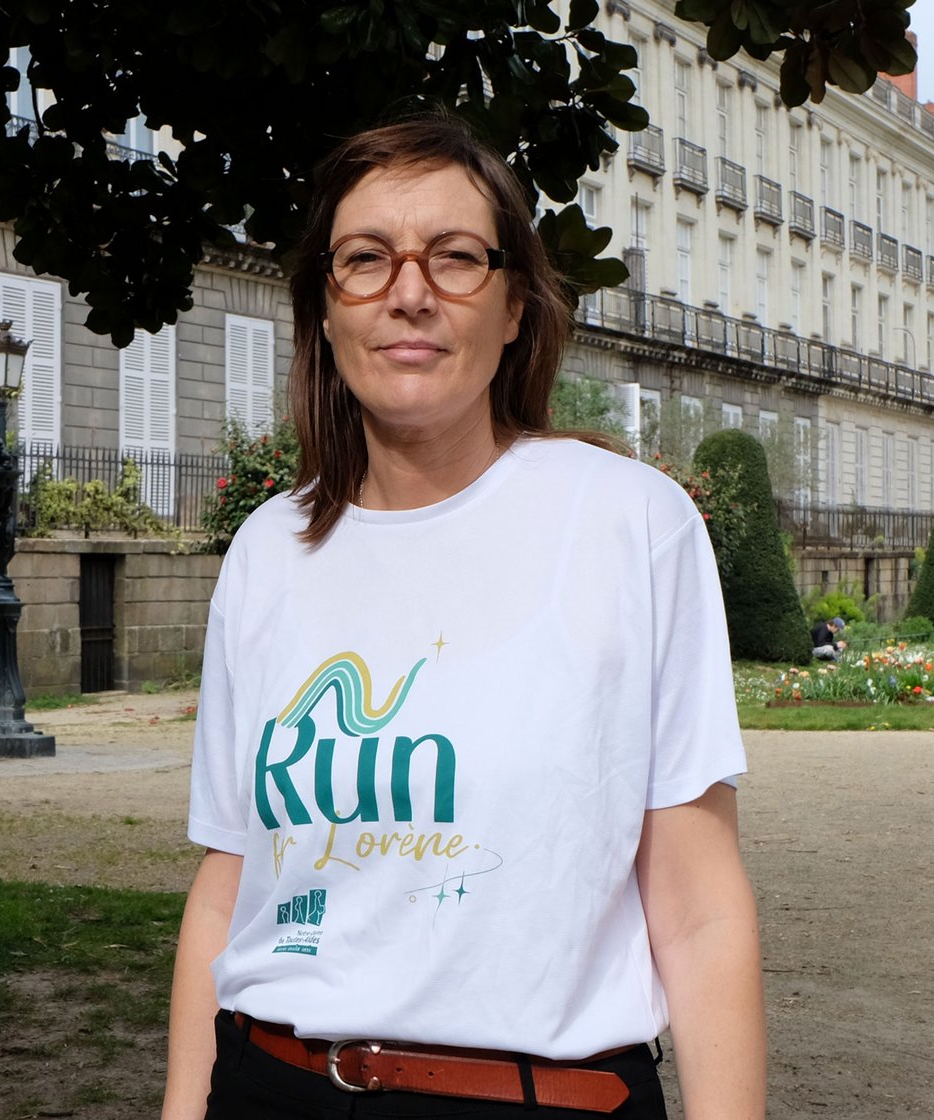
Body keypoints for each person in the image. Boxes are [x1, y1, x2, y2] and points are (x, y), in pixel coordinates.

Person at [162, 114, 765, 1120]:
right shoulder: (268, 548)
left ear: (515, 306)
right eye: (366, 259)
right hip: (271, 1086)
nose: (409, 292)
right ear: (324, 310)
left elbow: (699, 909)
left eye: (453, 257)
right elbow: (230, 879)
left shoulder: (627, 523)